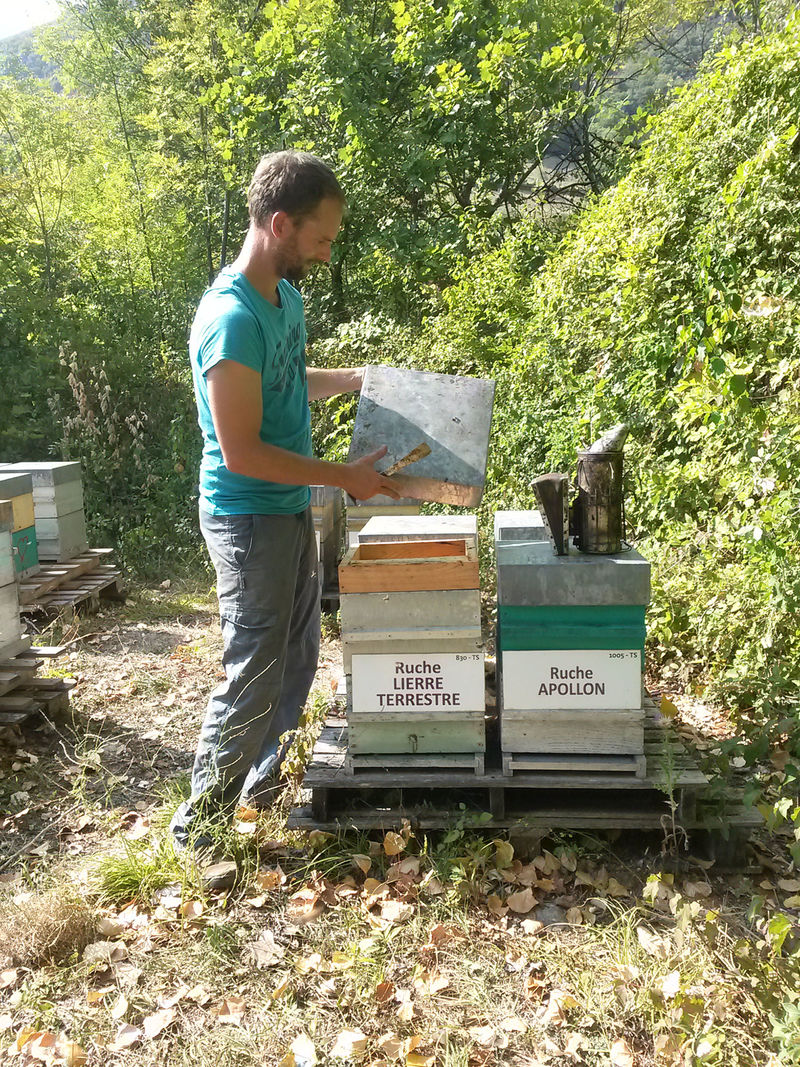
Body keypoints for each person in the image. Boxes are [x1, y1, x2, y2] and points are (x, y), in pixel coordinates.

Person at [170, 150, 398, 856]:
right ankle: (197, 829)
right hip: (247, 518)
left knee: (297, 657)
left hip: (289, 509)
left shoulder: (284, 300)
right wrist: (342, 476)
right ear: (279, 223)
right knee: (256, 668)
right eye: (322, 237)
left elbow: (287, 379)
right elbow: (241, 450)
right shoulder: (230, 319)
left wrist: (359, 378)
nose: (328, 252)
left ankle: (258, 798)